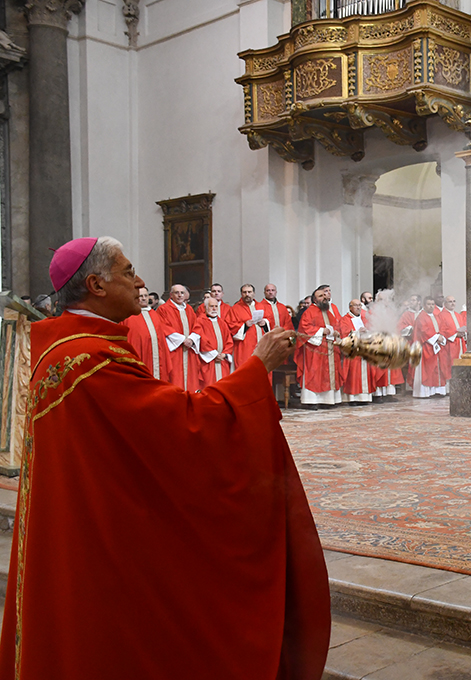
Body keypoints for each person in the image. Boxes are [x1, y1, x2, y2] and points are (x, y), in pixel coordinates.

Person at [0, 236, 330, 679]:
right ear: (96, 284)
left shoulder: (66, 350)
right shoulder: (89, 360)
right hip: (104, 550)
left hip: (91, 530)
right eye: (128, 272)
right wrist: (257, 368)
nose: (140, 282)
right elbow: (188, 425)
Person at [294, 285, 343, 406]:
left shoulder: (328, 312)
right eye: (321, 296)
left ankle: (328, 400)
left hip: (329, 347)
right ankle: (311, 401)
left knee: (328, 374)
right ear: (315, 300)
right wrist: (321, 331)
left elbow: (336, 325)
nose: (325, 297)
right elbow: (304, 329)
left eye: (325, 295)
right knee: (314, 374)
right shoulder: (309, 312)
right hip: (314, 349)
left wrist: (335, 331)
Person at [157, 283, 201, 392]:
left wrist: (191, 339)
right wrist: (182, 340)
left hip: (189, 349)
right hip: (175, 350)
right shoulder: (163, 309)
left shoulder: (189, 309)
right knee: (175, 377)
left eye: (182, 293)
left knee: (191, 378)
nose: (180, 295)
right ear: (171, 295)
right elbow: (163, 326)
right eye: (177, 293)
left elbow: (197, 326)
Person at [124, 285, 171, 382]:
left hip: (157, 357)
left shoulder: (155, 314)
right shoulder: (129, 316)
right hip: (141, 356)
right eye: (141, 296)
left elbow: (161, 338)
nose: (144, 298)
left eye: (146, 295)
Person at [338, 299, 374, 403]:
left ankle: (364, 398)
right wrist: (357, 332)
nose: (358, 308)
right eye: (356, 305)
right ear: (350, 307)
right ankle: (352, 398)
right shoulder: (345, 320)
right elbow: (344, 335)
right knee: (353, 375)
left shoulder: (363, 318)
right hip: (352, 352)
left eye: (360, 305)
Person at [230, 283, 271, 373]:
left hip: (261, 344)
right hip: (245, 346)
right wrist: (245, 325)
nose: (247, 294)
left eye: (249, 292)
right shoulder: (235, 309)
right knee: (246, 370)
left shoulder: (261, 306)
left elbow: (270, 321)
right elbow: (231, 327)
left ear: (254, 293)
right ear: (241, 294)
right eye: (244, 292)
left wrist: (265, 323)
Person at [195, 297, 234, 390]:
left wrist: (224, 354)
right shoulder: (200, 321)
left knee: (223, 387)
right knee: (209, 387)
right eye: (211, 306)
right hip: (208, 361)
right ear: (205, 308)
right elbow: (202, 340)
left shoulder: (222, 322)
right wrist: (214, 355)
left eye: (216, 306)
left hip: (222, 361)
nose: (214, 309)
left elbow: (229, 340)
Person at [411, 296, 446, 398]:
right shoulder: (421, 317)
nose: (431, 306)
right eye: (428, 304)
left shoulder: (436, 316)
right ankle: (424, 392)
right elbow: (423, 331)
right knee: (427, 369)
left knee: (436, 368)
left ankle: (436, 391)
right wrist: (436, 337)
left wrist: (441, 336)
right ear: (424, 305)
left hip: (436, 346)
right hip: (425, 346)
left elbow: (442, 327)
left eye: (432, 304)